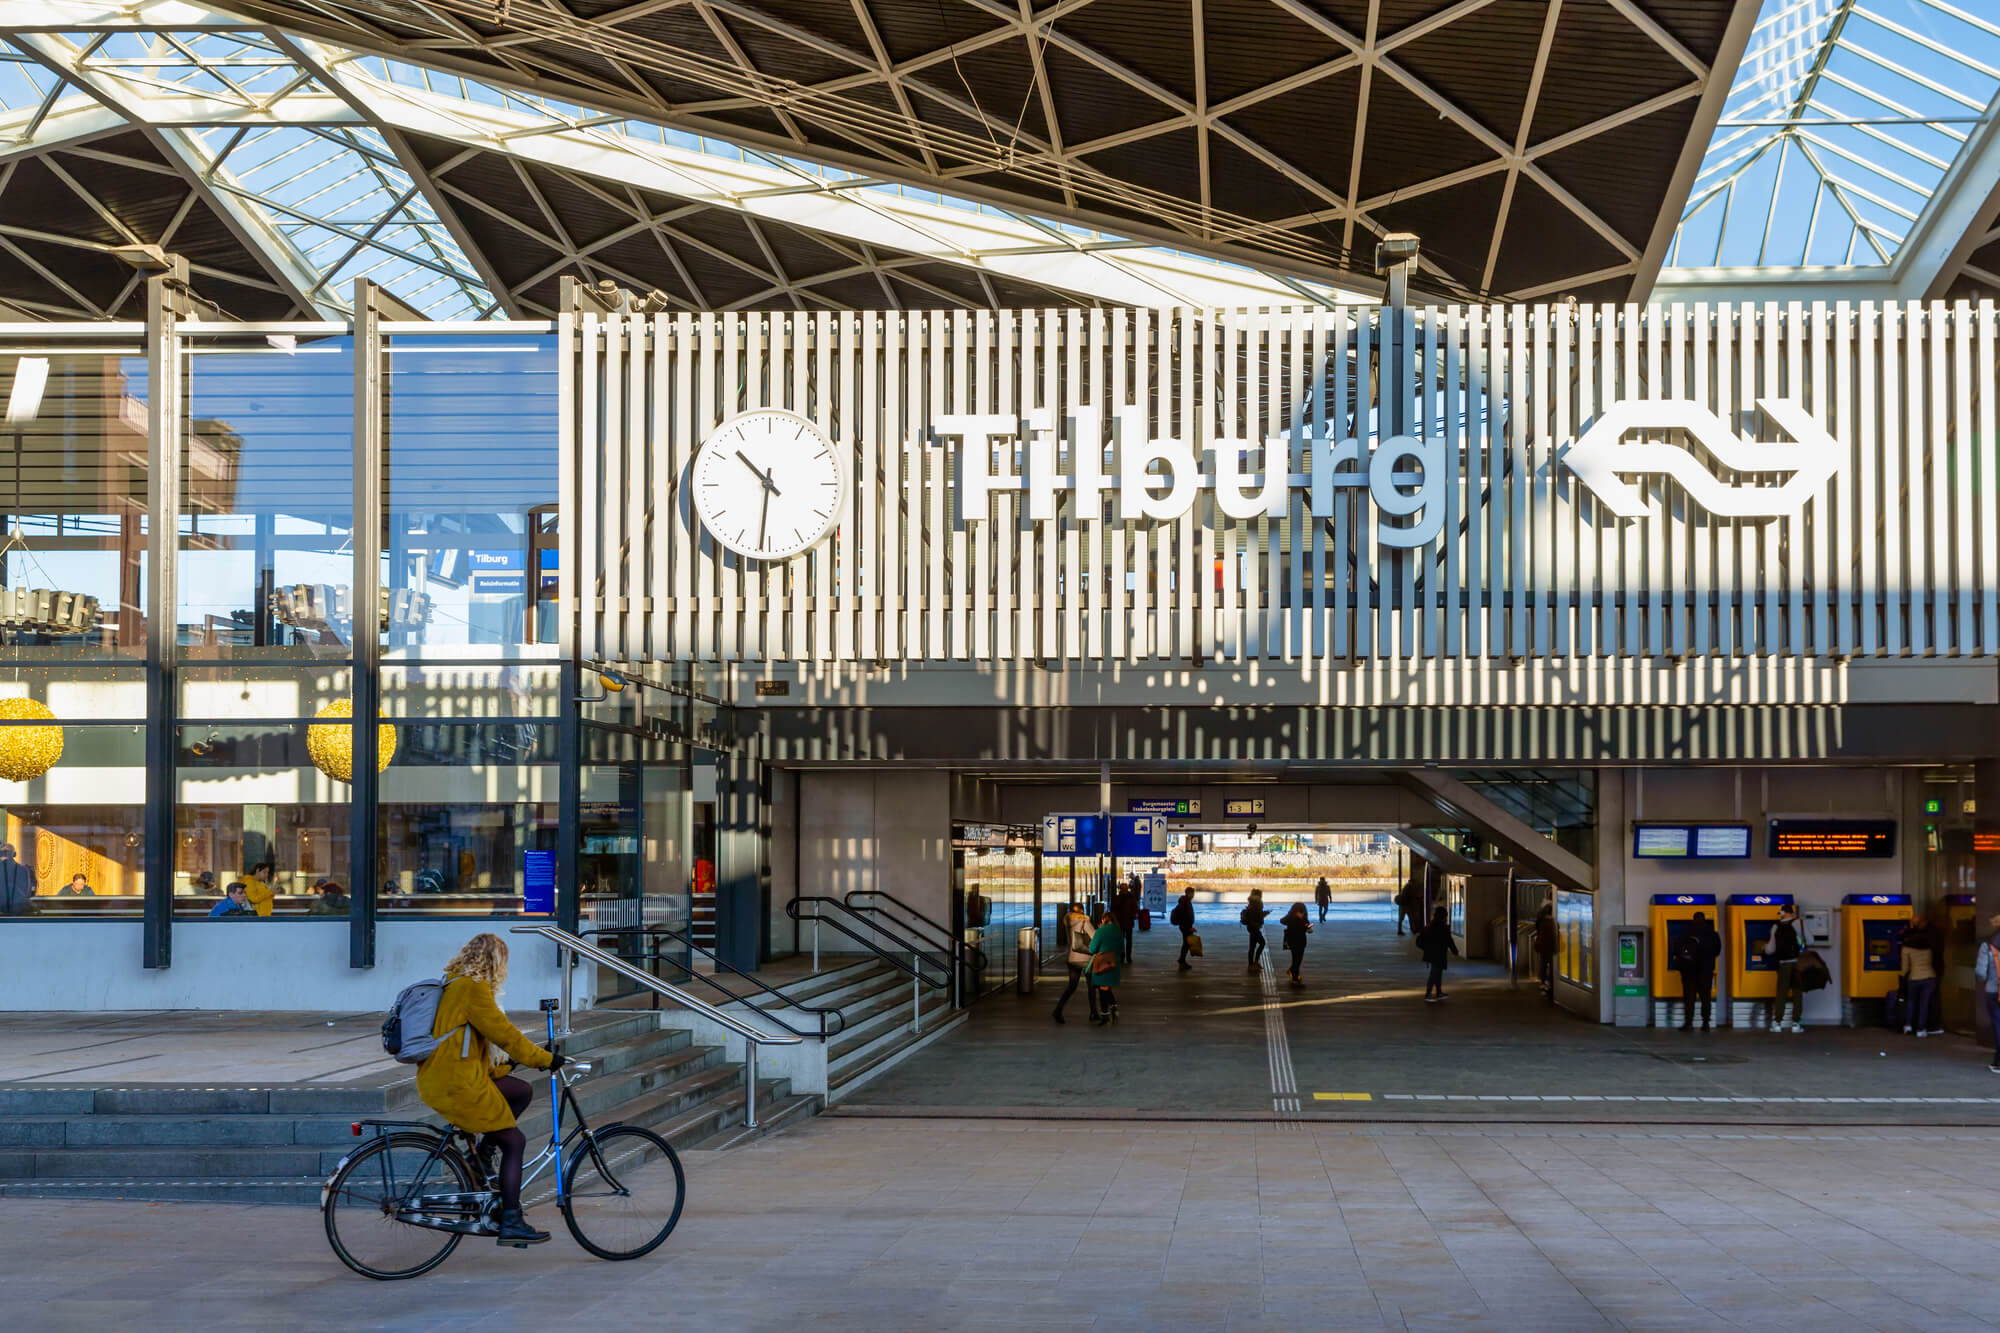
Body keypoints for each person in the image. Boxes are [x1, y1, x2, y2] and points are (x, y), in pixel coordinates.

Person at [414, 932, 562, 1247]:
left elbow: (468, 1047)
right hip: (457, 1083)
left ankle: (483, 1153)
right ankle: (511, 1220)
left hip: (449, 1075)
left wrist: (513, 1066)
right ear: (495, 962)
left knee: (519, 1092)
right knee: (516, 1142)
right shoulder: (473, 989)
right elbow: (504, 1034)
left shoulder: (454, 983)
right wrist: (544, 1058)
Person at [1671, 911, 1722, 1032]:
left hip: (1689, 972)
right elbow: (1717, 951)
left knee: (1689, 998)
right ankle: (1706, 1023)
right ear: (1704, 920)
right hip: (1706, 971)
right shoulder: (1712, 934)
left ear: (1693, 920)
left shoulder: (1686, 933)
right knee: (1706, 997)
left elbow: (1677, 950)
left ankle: (1688, 1023)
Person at [1052, 903, 1100, 1024]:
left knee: (1072, 987)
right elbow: (1095, 938)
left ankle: (1058, 1010)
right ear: (1082, 911)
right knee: (1091, 986)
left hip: (1072, 958)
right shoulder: (1085, 922)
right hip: (1085, 959)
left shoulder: (1068, 922)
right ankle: (1093, 1013)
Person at [1899, 914, 1943, 1038]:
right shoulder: (1928, 947)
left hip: (1913, 978)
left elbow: (1905, 967)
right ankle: (1920, 1029)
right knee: (1924, 1004)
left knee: (1911, 1002)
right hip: (1929, 977)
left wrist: (1902, 977)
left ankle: (1907, 1026)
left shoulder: (1906, 948)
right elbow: (1935, 960)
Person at [1768, 902, 1806, 1033]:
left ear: (1783, 913)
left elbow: (1771, 949)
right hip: (1797, 963)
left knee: (1781, 993)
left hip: (1783, 963)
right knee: (1797, 993)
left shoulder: (1775, 926)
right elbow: (1810, 941)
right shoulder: (1799, 923)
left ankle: (1777, 1023)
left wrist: (1763, 948)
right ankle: (1796, 1024)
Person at [1973, 913, 2000, 1073]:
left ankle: (1998, 1061)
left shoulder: (1988, 945)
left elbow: (1981, 973)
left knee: (1998, 1024)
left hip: (1994, 990)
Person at [1087, 908, 1123, 1025]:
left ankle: (1105, 1015)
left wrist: (1099, 930)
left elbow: (1092, 949)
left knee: (1103, 989)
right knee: (1106, 988)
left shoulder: (1101, 931)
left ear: (1103, 920)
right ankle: (1113, 1007)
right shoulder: (1118, 930)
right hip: (1114, 964)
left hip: (1102, 963)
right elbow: (1122, 948)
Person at [1416, 904, 1458, 1002]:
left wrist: (1426, 948)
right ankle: (1429, 993)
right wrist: (1454, 950)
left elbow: (1419, 941)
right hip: (1439, 954)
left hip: (1431, 953)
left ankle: (1438, 992)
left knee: (1436, 973)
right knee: (1435, 973)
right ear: (1443, 916)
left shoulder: (1430, 926)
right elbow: (1449, 940)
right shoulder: (1443, 927)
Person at [1281, 902, 1312, 987]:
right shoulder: (1295, 917)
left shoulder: (1301, 918)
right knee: (1297, 959)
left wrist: (1308, 927)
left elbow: (1308, 927)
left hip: (1295, 940)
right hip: (1298, 940)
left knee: (1297, 959)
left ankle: (1293, 972)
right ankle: (1295, 978)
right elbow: (1282, 921)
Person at [0, 843, 35, 916]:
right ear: (14, 854)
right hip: (20, 910)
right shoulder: (24, 870)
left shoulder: (23, 870)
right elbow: (29, 892)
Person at [1532, 904, 1558, 997]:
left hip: (1543, 947)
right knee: (1551, 966)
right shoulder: (1551, 922)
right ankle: (1550, 984)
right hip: (1550, 948)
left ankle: (1543, 982)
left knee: (1543, 964)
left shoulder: (1542, 920)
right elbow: (1553, 937)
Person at [1241, 889, 1269, 972]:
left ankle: (1251, 964)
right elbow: (1257, 915)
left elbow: (1254, 914)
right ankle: (1255, 962)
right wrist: (1264, 914)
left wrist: (1263, 914)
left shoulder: (1251, 902)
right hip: (1255, 927)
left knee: (1252, 946)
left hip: (1251, 927)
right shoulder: (1258, 902)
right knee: (1262, 943)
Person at [1169, 886, 1197, 970]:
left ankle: (1182, 960)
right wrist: (1189, 928)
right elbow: (1185, 917)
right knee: (1186, 944)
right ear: (1189, 893)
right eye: (1192, 893)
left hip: (1185, 926)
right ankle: (1182, 961)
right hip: (1185, 927)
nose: (1193, 895)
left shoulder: (1185, 901)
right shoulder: (1185, 903)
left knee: (1186, 944)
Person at [1112, 882, 1138, 965]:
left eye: (1124, 888)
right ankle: (1126, 957)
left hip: (1123, 922)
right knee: (1127, 940)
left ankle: (1125, 956)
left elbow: (1113, 909)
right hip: (1124, 922)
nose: (1124, 890)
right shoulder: (1130, 897)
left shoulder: (1118, 898)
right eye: (1123, 888)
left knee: (1123, 940)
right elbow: (1135, 908)